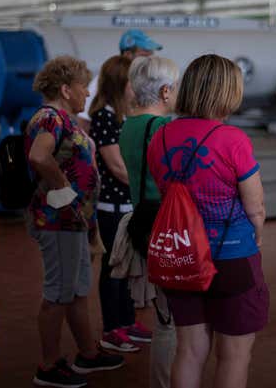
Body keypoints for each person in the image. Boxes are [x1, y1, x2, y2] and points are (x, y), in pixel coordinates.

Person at [147, 54, 269, 388]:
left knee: (188, 351)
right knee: (234, 355)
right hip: (231, 255)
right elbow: (255, 206)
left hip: (182, 254)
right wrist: (258, 234)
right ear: (229, 92)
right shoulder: (232, 139)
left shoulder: (161, 136)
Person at [25, 55, 124, 388]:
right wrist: (64, 188)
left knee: (77, 289)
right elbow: (39, 156)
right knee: (58, 293)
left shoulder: (64, 119)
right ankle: (48, 365)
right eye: (83, 87)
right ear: (66, 90)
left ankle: (88, 353)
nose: (87, 93)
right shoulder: (50, 118)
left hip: (73, 220)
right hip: (58, 220)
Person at [119, 55, 180, 388]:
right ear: (165, 91)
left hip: (143, 222)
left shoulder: (128, 126)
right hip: (168, 225)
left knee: (163, 315)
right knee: (172, 322)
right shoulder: (162, 128)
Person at [87, 55, 153, 353]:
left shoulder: (125, 116)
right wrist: (147, 185)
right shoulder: (104, 116)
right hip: (111, 208)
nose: (136, 88)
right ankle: (112, 329)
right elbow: (116, 166)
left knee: (127, 266)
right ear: (119, 84)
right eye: (132, 82)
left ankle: (127, 322)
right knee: (113, 268)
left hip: (128, 205)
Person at [77, 29, 163, 132]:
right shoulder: (105, 80)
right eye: (144, 56)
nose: (149, 61)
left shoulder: (143, 81)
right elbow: (83, 121)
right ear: (128, 54)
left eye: (151, 56)